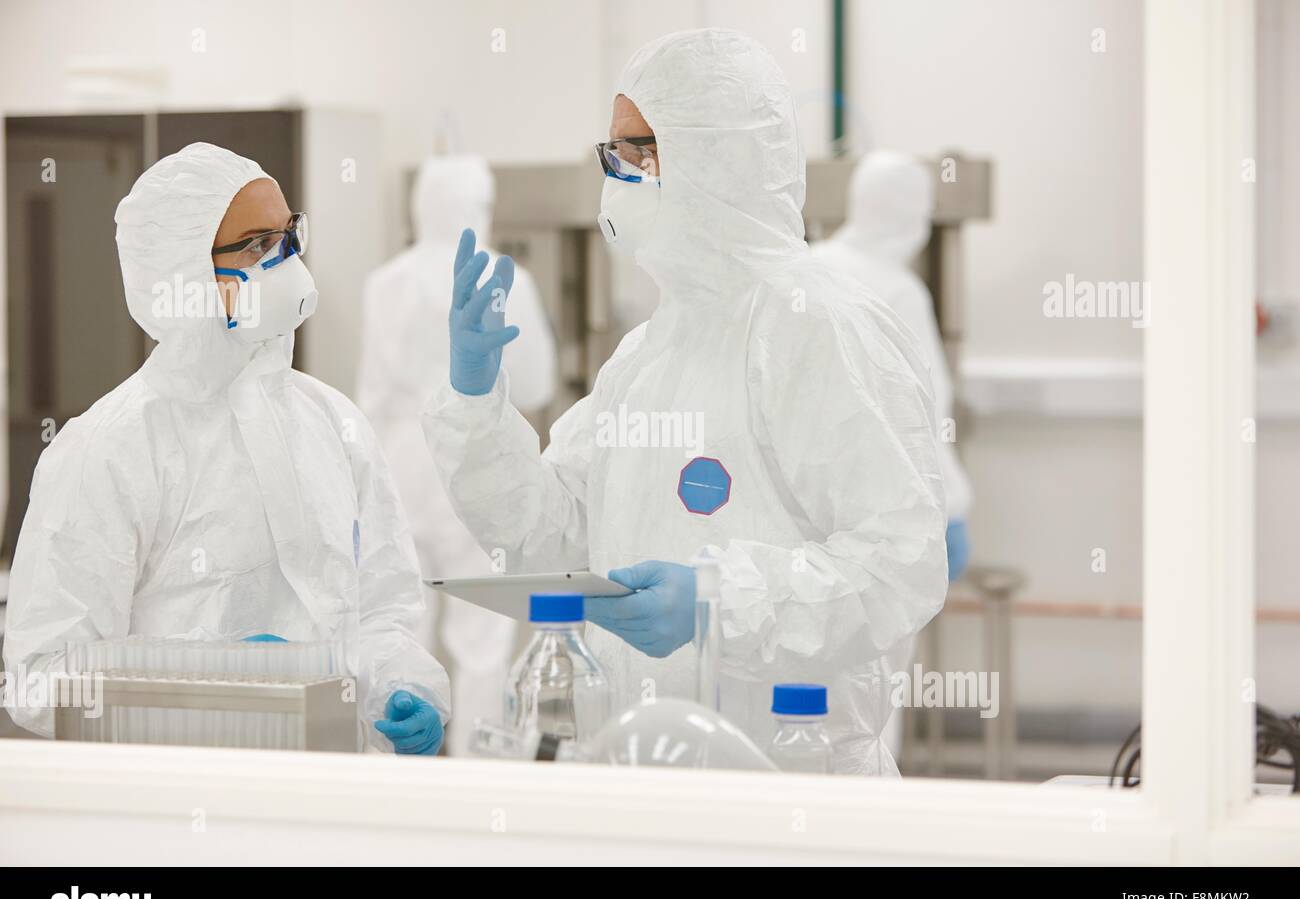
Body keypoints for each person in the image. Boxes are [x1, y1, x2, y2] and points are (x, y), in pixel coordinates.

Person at [423, 30, 948, 775]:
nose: (616, 177)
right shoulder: (651, 352)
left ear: (716, 157)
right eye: (610, 155)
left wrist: (715, 605)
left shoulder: (815, 323)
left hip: (790, 782)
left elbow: (898, 564)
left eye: (635, 152)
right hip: (639, 766)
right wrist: (476, 403)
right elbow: (555, 536)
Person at [3, 143, 450, 755]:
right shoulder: (108, 451)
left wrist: (399, 684)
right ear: (183, 275)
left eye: (290, 235)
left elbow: (379, 608)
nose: (286, 258)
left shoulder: (331, 422)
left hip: (334, 793)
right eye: (258, 245)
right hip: (181, 808)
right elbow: (41, 677)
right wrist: (219, 679)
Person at [357, 154, 556, 755]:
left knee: (396, 631)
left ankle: (392, 771)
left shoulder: (383, 282)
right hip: (473, 467)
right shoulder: (505, 277)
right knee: (483, 640)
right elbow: (540, 382)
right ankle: (478, 774)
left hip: (396, 468)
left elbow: (367, 394)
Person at [811, 151, 973, 580]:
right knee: (885, 641)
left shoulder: (808, 267)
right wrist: (950, 506)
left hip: (813, 513)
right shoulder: (899, 292)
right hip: (890, 520)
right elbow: (923, 412)